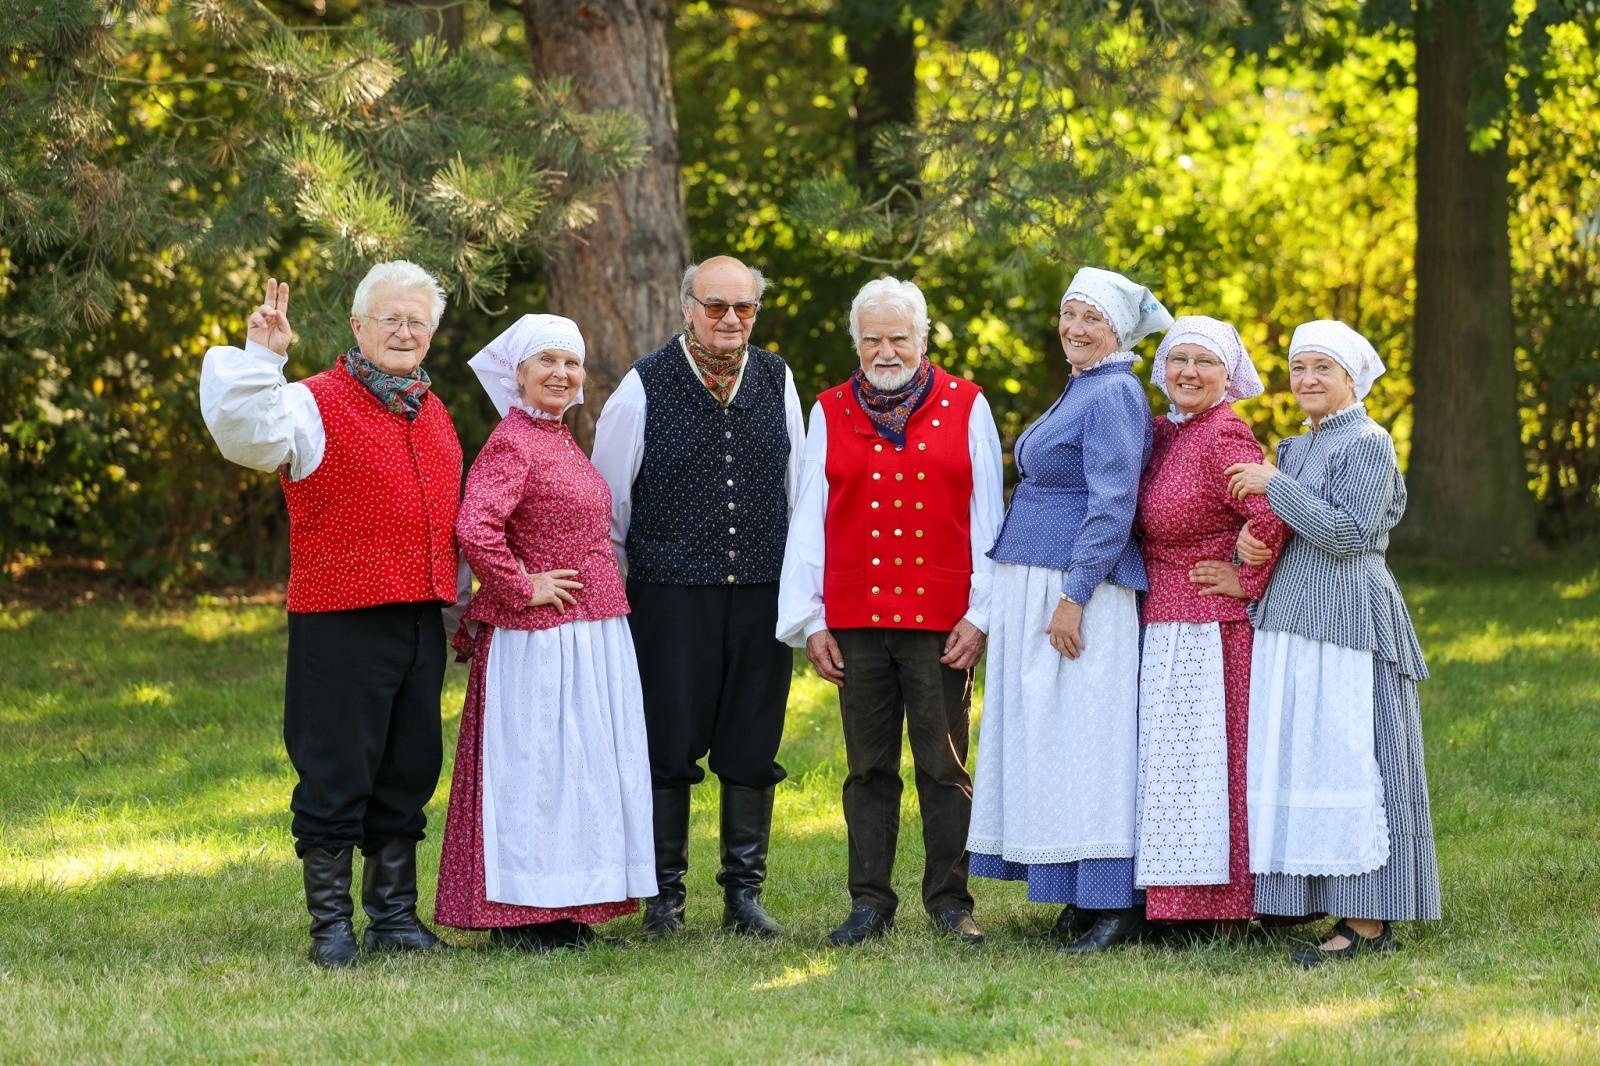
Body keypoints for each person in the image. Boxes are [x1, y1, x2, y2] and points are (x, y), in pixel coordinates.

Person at [199, 263, 459, 968]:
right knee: (336, 771)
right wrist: (265, 358)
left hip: (419, 621)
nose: (404, 332)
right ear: (358, 327)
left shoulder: (431, 411)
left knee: (409, 766)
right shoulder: (309, 402)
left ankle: (395, 919)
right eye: (391, 319)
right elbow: (245, 433)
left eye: (417, 322)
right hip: (340, 621)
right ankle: (332, 929)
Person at [777, 277, 1004, 946]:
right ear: (857, 342)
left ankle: (950, 902)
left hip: (942, 619)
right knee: (867, 768)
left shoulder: (968, 405)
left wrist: (982, 611)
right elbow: (810, 518)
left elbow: (987, 514)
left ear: (922, 339)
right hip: (856, 617)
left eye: (897, 338)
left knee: (943, 765)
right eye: (871, 339)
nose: (884, 350)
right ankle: (869, 903)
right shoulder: (829, 409)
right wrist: (812, 618)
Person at [590, 256, 805, 937]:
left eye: (743, 307)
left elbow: (799, 491)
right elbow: (609, 507)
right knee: (667, 745)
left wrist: (802, 591)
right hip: (668, 597)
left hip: (761, 593)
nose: (730, 320)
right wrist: (620, 599)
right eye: (715, 306)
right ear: (687, 308)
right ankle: (665, 900)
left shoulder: (777, 378)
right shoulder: (642, 386)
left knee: (750, 744)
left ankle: (743, 897)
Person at [432, 314, 656, 951]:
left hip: (589, 632)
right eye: (547, 363)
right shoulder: (513, 441)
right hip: (539, 640)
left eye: (571, 363)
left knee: (579, 768)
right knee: (537, 769)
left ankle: (566, 905)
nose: (562, 374)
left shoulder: (557, 438)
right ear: (518, 374)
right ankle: (523, 913)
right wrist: (522, 586)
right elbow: (475, 528)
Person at [965, 266, 1171, 954]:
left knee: (1091, 743)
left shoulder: (1115, 392)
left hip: (1080, 590)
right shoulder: (1086, 385)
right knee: (1053, 741)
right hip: (1044, 581)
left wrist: (1074, 596)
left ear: (1116, 332)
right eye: (1070, 314)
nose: (1074, 329)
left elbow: (1114, 503)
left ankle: (1116, 902)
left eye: (1091, 319)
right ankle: (1078, 893)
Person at [1225, 320, 1440, 966]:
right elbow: (1285, 525)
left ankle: (1369, 921)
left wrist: (1273, 486)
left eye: (1323, 367)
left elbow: (1348, 533)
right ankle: (1301, 901)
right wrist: (1251, 541)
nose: (1309, 380)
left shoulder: (1368, 444)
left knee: (1355, 762)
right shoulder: (1297, 447)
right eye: (1299, 369)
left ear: (1352, 377)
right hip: (1293, 619)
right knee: (1302, 763)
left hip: (1347, 620)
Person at [1131, 315, 1288, 936]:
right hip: (1166, 619)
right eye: (1178, 360)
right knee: (1176, 773)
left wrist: (1243, 575)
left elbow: (1273, 508)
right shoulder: (1167, 432)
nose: (1189, 372)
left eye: (1204, 362)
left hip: (1209, 626)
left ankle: (1224, 909)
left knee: (1209, 771)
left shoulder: (1225, 433)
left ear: (1229, 375)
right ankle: (1178, 903)